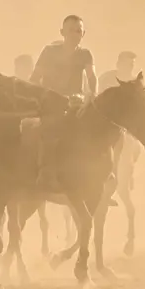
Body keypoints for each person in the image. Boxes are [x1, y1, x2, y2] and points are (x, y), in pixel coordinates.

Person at [30, 15, 98, 191]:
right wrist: (41, 96)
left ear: (83, 33)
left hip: (76, 102)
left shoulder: (85, 54)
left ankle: (99, 174)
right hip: (51, 103)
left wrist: (92, 94)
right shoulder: (49, 51)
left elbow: (91, 76)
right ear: (62, 32)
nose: (75, 34)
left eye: (79, 31)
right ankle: (46, 174)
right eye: (71, 30)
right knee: (51, 128)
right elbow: (35, 77)